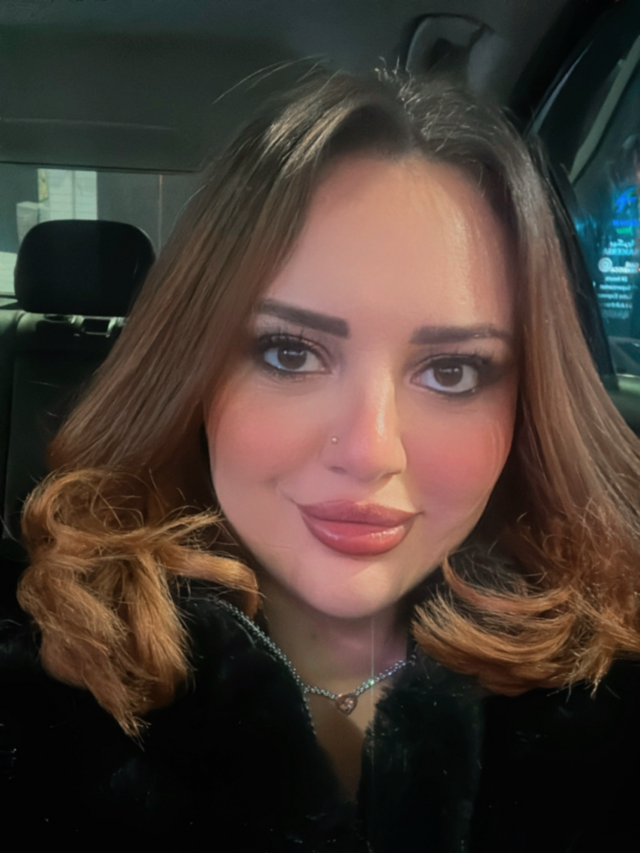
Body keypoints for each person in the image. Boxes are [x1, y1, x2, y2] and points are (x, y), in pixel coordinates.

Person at [3, 70, 640, 852]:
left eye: (453, 371)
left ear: (526, 403)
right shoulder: (36, 703)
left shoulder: (608, 707)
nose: (370, 451)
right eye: (289, 352)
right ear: (193, 374)